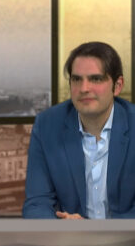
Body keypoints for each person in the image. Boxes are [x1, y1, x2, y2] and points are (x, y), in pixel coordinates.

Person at [23, 41, 135, 219]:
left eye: (95, 79)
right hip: (68, 236)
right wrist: (61, 228)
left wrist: (96, 231)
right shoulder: (47, 125)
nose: (84, 89)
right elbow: (37, 203)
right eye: (76, 79)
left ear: (117, 86)